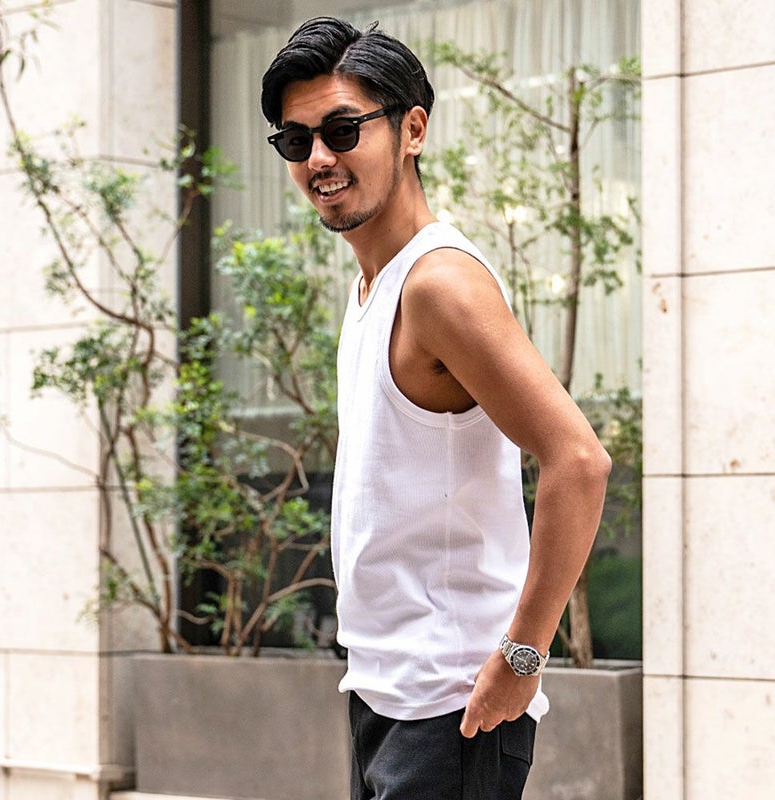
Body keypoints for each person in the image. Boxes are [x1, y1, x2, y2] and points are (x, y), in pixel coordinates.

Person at [261, 17, 611, 800]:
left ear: (412, 129)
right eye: (296, 140)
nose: (319, 159)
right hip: (388, 691)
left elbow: (579, 461)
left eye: (343, 131)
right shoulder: (374, 283)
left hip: (453, 703)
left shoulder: (439, 285)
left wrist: (523, 656)